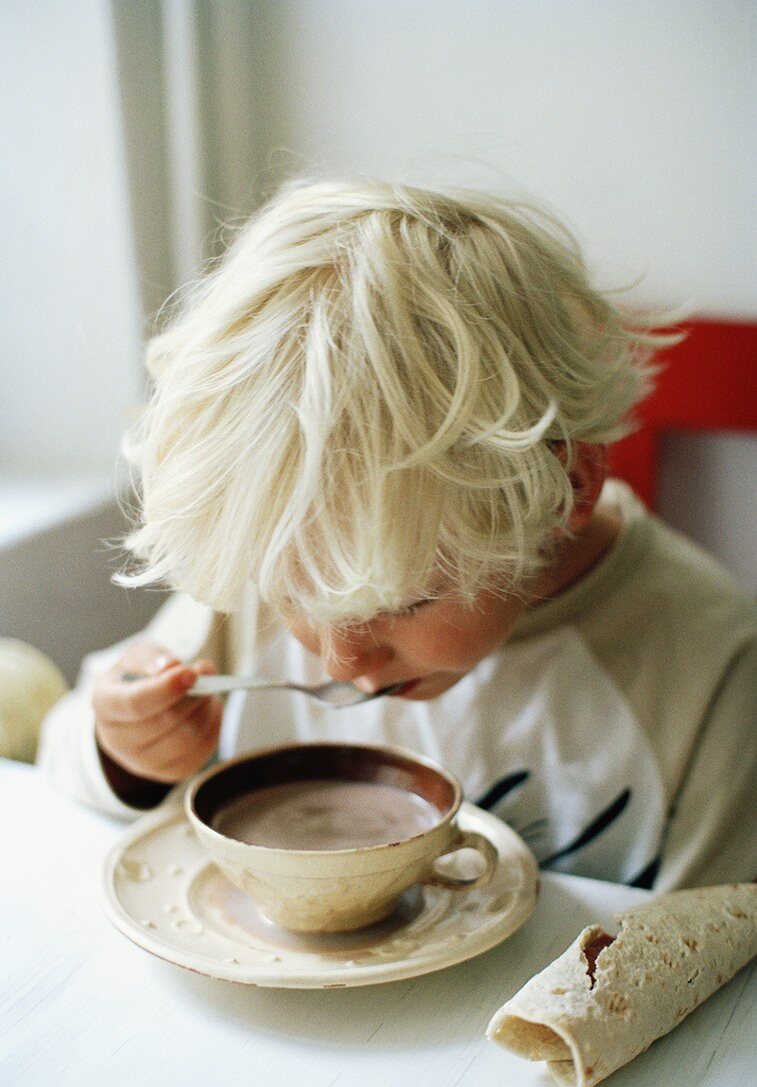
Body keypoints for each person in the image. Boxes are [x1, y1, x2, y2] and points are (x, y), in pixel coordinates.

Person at [39, 180, 756, 891]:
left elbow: (720, 948)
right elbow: (61, 755)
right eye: (294, 592)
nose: (340, 659)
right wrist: (123, 749)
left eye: (408, 601)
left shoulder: (709, 672)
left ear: (565, 487)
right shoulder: (273, 552)